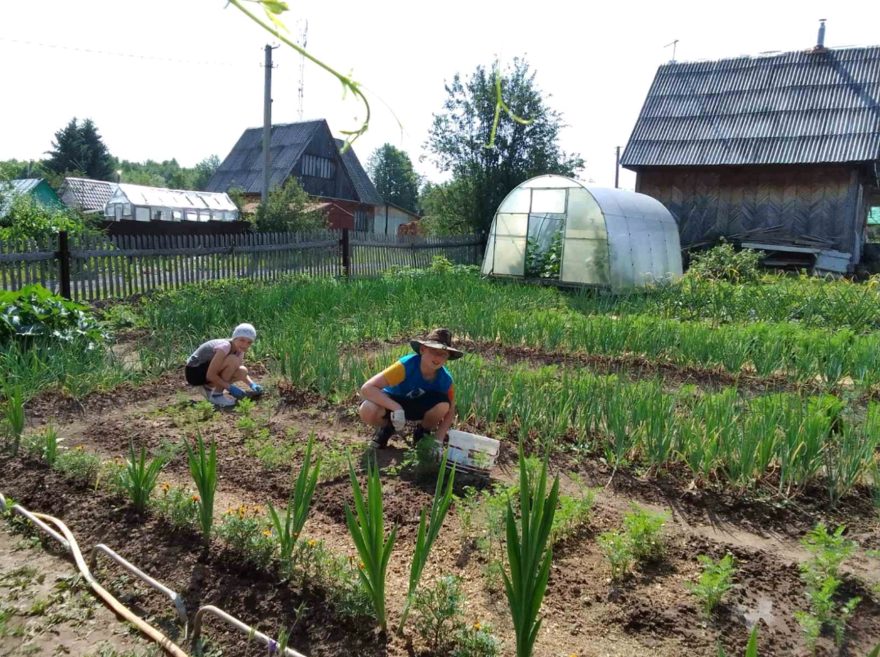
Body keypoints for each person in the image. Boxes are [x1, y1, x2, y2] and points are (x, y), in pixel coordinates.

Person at [359, 328, 464, 448]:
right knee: (367, 409)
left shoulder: (445, 380)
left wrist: (439, 439)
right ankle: (387, 427)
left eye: (443, 354)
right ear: (423, 350)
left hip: (418, 407)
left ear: (447, 358)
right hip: (392, 403)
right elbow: (367, 388)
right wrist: (396, 408)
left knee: (444, 405)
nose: (437, 357)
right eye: (434, 351)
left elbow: (450, 412)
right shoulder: (405, 365)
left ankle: (422, 433)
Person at [185, 323, 264, 408]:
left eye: (249, 342)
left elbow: (238, 371)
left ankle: (209, 388)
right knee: (232, 360)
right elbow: (210, 375)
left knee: (242, 371)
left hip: (205, 370)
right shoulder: (225, 346)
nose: (245, 345)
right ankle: (215, 394)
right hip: (194, 372)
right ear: (235, 338)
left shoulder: (239, 350)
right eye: (242, 340)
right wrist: (230, 388)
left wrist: (252, 384)